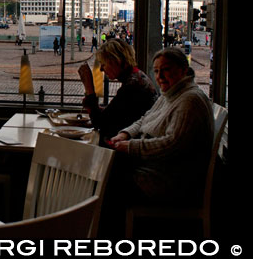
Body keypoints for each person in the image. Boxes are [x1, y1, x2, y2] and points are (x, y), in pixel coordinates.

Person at [107, 47, 214, 205]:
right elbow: (145, 119)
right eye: (156, 71)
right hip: (156, 167)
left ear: (183, 70)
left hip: (169, 181)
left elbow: (172, 144)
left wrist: (131, 146)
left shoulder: (189, 101)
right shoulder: (171, 93)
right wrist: (126, 134)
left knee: (106, 177)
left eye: (165, 70)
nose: (159, 77)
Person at [78, 38, 158, 143]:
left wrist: (89, 88)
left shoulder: (131, 86)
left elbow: (101, 123)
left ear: (116, 61)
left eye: (104, 64)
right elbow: (116, 114)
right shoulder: (137, 77)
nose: (102, 69)